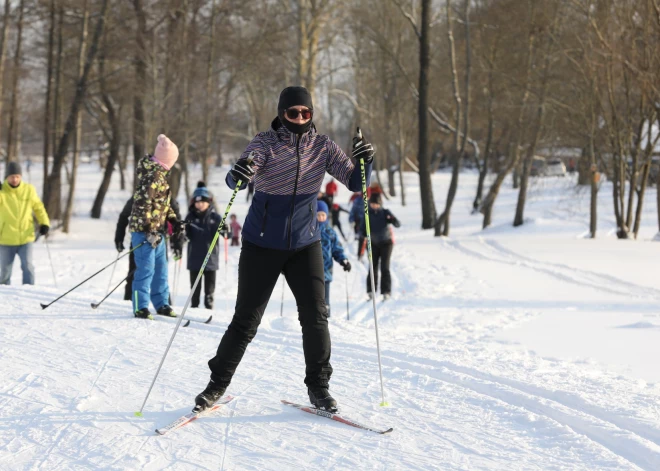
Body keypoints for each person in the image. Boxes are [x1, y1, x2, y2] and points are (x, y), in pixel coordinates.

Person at [194, 86, 374, 414]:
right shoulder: (265, 142)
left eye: (306, 112)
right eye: (293, 113)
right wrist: (240, 173)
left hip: (305, 243)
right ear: (281, 113)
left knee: (316, 316)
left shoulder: (323, 146)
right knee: (246, 320)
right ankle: (216, 384)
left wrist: (365, 164)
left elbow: (355, 182)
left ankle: (319, 387)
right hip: (261, 244)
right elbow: (242, 173)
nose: (301, 118)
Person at [129, 134, 185, 319]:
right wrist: (149, 230)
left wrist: (174, 221)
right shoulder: (152, 176)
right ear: (168, 159)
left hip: (157, 233)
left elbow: (163, 206)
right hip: (145, 233)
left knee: (161, 269)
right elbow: (143, 205)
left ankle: (162, 304)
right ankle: (140, 306)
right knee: (146, 269)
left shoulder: (160, 176)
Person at [115, 196, 181, 301]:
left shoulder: (168, 198)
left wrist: (177, 244)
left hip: (159, 242)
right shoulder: (138, 196)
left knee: (160, 276)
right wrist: (119, 238)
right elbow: (124, 216)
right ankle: (129, 302)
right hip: (139, 241)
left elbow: (176, 224)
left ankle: (164, 305)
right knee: (135, 273)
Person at [0, 162, 49, 285]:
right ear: (6, 177)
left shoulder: (28, 189)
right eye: (12, 176)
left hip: (26, 237)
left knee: (28, 266)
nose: (15, 179)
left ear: (21, 176)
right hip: (6, 239)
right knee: (5, 270)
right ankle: (3, 295)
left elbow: (38, 207)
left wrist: (44, 223)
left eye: (17, 176)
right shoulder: (2, 192)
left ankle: (29, 292)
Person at [185, 182, 221, 309]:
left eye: (202, 202)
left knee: (209, 287)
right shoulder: (190, 217)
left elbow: (226, 233)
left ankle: (209, 305)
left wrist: (225, 230)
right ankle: (194, 306)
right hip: (194, 257)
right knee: (195, 286)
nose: (199, 204)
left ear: (208, 203)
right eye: (197, 202)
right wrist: (182, 234)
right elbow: (185, 234)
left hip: (210, 258)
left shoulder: (215, 217)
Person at [361, 193, 400, 300]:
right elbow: (362, 229)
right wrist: (363, 233)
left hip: (386, 243)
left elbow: (397, 224)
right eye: (372, 204)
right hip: (373, 243)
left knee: (385, 267)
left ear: (380, 204)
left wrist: (392, 219)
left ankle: (386, 291)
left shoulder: (385, 212)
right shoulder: (367, 214)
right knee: (372, 267)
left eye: (376, 204)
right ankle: (371, 290)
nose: (374, 206)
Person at [317, 200, 350, 317]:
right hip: (310, 272)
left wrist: (343, 260)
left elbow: (337, 249)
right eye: (318, 215)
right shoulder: (309, 231)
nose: (321, 217)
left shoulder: (330, 232)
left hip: (326, 271)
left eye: (323, 215)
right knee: (312, 300)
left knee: (325, 300)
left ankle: (327, 321)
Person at [349, 192, 364, 258]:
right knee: (361, 238)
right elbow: (353, 211)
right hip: (358, 221)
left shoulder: (372, 200)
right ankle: (360, 255)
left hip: (369, 223)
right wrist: (351, 220)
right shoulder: (357, 200)